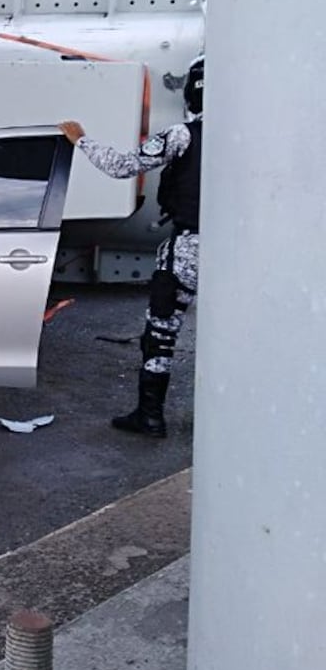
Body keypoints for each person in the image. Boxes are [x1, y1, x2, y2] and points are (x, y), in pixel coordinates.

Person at [59, 53, 204, 438]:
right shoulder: (251, 140)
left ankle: (150, 415)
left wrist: (82, 140)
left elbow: (122, 166)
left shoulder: (181, 135)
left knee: (160, 334)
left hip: (189, 249)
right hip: (243, 251)